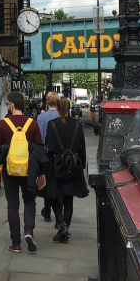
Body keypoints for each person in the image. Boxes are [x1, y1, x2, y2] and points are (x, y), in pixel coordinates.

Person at [0, 91, 45, 254]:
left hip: (10, 170)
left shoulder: (3, 124)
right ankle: (28, 232)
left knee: (13, 205)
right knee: (29, 201)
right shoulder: (33, 124)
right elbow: (39, 151)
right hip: (29, 170)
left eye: (7, 104)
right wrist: (42, 174)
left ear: (12, 105)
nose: (7, 106)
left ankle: (16, 243)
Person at [44, 97, 89, 243]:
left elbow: (49, 147)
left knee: (53, 196)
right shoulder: (77, 125)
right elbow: (82, 147)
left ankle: (61, 224)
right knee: (69, 198)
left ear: (57, 108)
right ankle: (65, 227)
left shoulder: (52, 124)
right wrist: (82, 165)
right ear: (69, 108)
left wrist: (45, 168)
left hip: (56, 165)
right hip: (73, 165)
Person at [36, 92, 59, 224]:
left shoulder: (41, 117)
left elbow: (39, 137)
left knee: (46, 181)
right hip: (58, 154)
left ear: (47, 102)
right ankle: (58, 214)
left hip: (45, 152)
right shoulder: (61, 117)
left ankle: (47, 211)